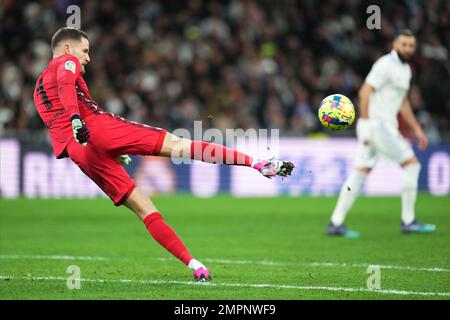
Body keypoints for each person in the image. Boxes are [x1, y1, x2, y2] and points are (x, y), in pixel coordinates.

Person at [33, 27, 294, 282]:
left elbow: (59, 127)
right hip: (95, 127)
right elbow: (68, 86)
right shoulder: (67, 61)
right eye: (85, 51)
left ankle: (195, 265)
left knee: (145, 210)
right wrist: (78, 120)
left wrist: (101, 147)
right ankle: (256, 163)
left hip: (80, 152)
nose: (87, 57)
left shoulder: (37, 89)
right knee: (181, 146)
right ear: (67, 48)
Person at [327, 29, 435, 238]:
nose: (408, 49)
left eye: (411, 45)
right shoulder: (385, 64)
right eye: (404, 44)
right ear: (395, 44)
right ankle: (408, 220)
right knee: (412, 164)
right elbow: (365, 91)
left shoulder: (406, 70)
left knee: (360, 171)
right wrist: (366, 122)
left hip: (383, 126)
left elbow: (402, 103)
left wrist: (417, 129)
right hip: (378, 125)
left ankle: (335, 222)